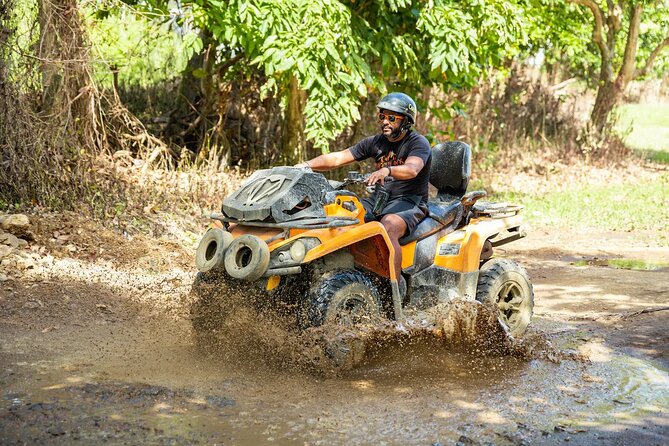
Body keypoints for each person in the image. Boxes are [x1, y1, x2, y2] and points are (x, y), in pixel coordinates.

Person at [295, 92, 432, 295]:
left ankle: (394, 290)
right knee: (343, 218)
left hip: (409, 202)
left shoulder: (418, 143)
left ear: (406, 121)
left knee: (389, 226)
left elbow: (412, 169)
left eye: (391, 118)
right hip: (378, 200)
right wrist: (305, 166)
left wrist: (388, 170)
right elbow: (337, 158)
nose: (385, 121)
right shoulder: (376, 142)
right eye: (382, 116)